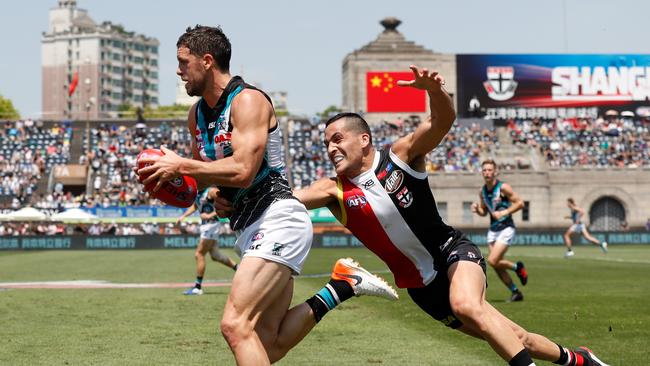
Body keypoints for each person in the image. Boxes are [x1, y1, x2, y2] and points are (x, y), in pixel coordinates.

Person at [293, 66, 609, 366]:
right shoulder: (333, 191)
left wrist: (435, 91)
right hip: (422, 289)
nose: (331, 148)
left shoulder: (400, 156)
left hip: (452, 252)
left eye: (337, 139)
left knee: (468, 306)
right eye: (326, 144)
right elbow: (286, 202)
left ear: (363, 139)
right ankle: (580, 359)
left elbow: (442, 121)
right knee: (515, 337)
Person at [137, 25, 397, 365]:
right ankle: (342, 286)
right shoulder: (196, 115)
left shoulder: (248, 101)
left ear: (206, 60)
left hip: (278, 217)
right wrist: (212, 191)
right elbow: (207, 175)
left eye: (183, 62)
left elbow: (244, 169)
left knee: (234, 325)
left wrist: (182, 166)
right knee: (266, 345)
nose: (178, 70)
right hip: (248, 227)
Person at [471, 160, 527, 302]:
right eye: (484, 170)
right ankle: (515, 292)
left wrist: (505, 212)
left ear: (495, 172)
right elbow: (484, 211)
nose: (487, 173)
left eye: (490, 170)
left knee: (492, 260)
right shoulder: (482, 191)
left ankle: (517, 267)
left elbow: (520, 203)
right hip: (493, 230)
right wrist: (478, 209)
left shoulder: (503, 187)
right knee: (495, 264)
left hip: (506, 228)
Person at [177, 187, 238, 295]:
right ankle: (239, 269)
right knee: (216, 255)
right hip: (207, 226)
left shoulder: (211, 191)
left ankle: (197, 287)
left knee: (199, 254)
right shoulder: (198, 193)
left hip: (212, 225)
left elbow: (228, 203)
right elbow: (196, 205)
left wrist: (211, 215)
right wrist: (183, 216)